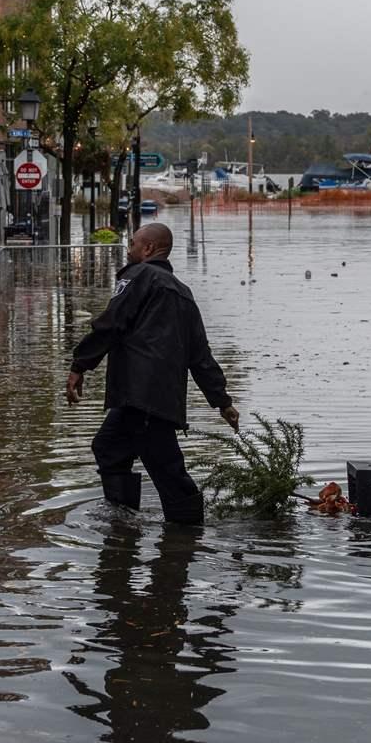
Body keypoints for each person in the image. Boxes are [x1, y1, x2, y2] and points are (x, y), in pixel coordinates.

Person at [67, 223, 240, 525]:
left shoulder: (139, 276)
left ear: (148, 249)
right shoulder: (183, 293)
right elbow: (200, 356)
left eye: (133, 244)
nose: (129, 249)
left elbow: (111, 322)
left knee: (167, 468)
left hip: (141, 395)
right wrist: (222, 401)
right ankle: (123, 519)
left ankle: (187, 533)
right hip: (153, 397)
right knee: (109, 448)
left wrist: (79, 365)